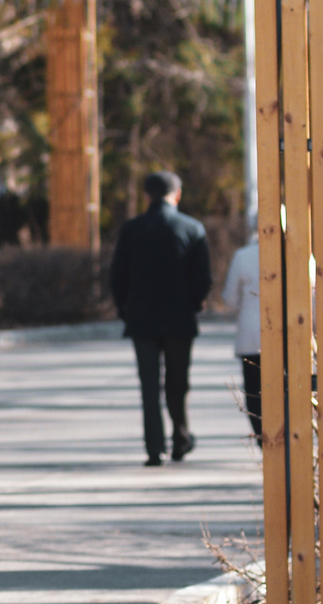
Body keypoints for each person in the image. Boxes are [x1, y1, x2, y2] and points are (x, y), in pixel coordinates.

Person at [107, 170, 214, 467]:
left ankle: (154, 449)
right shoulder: (192, 228)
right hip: (180, 320)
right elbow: (203, 278)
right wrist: (193, 304)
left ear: (146, 196)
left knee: (149, 386)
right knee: (178, 384)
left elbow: (117, 276)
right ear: (177, 195)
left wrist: (124, 309)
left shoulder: (131, 229)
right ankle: (180, 438)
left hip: (141, 320)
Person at [220, 235, 264, 441]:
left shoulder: (243, 256)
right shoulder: (300, 254)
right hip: (290, 336)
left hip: (252, 335)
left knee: (255, 394)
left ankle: (263, 439)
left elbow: (230, 298)